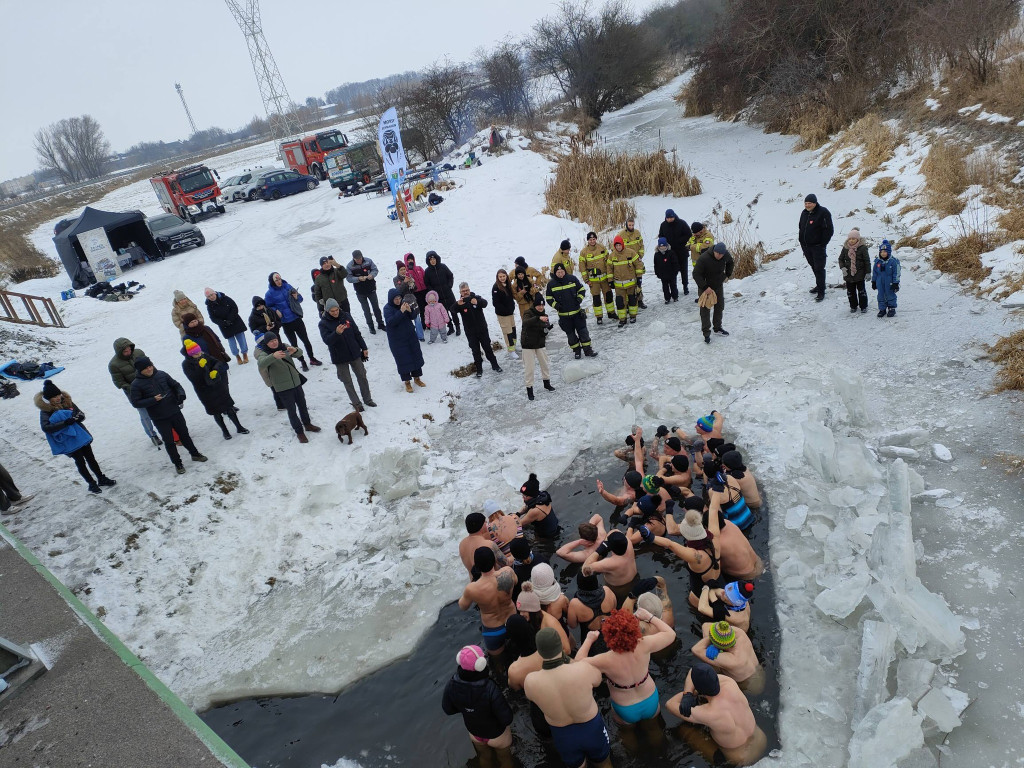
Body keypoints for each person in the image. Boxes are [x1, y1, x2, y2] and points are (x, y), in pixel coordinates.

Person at [523, 628, 612, 768]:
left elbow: (531, 697)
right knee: (604, 763)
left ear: (539, 651)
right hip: (591, 728)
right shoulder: (582, 669)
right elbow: (596, 680)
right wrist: (588, 641)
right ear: (561, 647)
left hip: (563, 736)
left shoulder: (530, 681)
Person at [577, 607, 676, 725]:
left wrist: (589, 640)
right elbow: (670, 633)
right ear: (634, 629)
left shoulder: (605, 659)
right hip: (650, 699)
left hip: (625, 707)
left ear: (608, 635)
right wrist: (649, 616)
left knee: (627, 737)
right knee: (655, 729)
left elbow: (577, 664)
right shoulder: (645, 644)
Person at [666, 662, 766, 766]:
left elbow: (670, 704)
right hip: (760, 739)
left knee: (684, 730)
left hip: (741, 757)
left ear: (699, 690)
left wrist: (688, 694)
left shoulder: (709, 713)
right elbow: (695, 670)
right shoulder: (729, 682)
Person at [129, 357, 207, 474]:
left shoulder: (162, 374)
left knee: (184, 435)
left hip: (174, 411)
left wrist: (181, 395)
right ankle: (178, 464)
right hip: (159, 417)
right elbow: (136, 402)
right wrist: (153, 400)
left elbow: (176, 385)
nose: (149, 369)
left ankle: (195, 454)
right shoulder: (136, 385)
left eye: (150, 366)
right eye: (146, 368)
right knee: (169, 441)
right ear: (140, 370)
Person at [36, 380, 115, 494]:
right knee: (80, 461)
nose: (58, 398)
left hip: (80, 436)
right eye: (54, 397)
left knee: (91, 458)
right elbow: (46, 427)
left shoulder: (67, 402)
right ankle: (91, 483)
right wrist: (65, 423)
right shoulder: (46, 410)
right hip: (68, 440)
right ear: (48, 399)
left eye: (58, 395)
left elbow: (80, 414)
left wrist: (78, 418)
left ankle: (101, 478)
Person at [441, 645, 515, 768]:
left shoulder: (452, 684)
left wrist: (466, 709)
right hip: (497, 736)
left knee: (484, 757)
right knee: (505, 759)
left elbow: (448, 709)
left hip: (475, 733)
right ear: (480, 664)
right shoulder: (490, 688)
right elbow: (507, 718)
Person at [257, 332, 322, 443]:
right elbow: (261, 364)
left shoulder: (284, 346)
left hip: (296, 382)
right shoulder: (264, 353)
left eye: (275, 340)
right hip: (282, 387)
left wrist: (295, 351)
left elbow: (299, 353)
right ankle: (299, 432)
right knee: (292, 410)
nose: (274, 342)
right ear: (266, 343)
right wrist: (273, 356)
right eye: (271, 341)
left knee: (303, 405)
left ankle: (307, 424)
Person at [181, 339, 249, 440]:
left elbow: (217, 362)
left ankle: (239, 427)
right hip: (205, 391)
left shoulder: (204, 355)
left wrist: (215, 370)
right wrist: (201, 367)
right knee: (216, 412)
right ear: (190, 354)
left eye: (199, 352)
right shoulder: (186, 364)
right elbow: (193, 378)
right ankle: (225, 431)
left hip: (217, 386)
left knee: (229, 407)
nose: (199, 354)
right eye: (196, 354)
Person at [318, 298, 375, 411]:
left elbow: (356, 333)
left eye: (336, 310)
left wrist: (363, 347)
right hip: (340, 357)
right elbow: (327, 341)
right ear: (327, 311)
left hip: (354, 353)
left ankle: (367, 399)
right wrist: (337, 333)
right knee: (347, 381)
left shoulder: (346, 316)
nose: (335, 313)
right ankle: (357, 404)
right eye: (332, 311)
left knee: (362, 376)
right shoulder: (323, 323)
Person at [458, 546, 517, 656]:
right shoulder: (508, 572)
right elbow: (516, 581)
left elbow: (463, 606)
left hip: (493, 630)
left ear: (477, 566)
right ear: (494, 560)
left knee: (497, 661)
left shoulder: (472, 588)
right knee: (519, 652)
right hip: (513, 621)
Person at [108, 337, 161, 447]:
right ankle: (152, 435)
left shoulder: (139, 353)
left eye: (129, 350)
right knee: (145, 414)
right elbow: (119, 383)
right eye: (125, 351)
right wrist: (135, 388)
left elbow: (151, 367)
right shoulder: (114, 365)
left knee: (159, 408)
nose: (128, 352)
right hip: (135, 393)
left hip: (150, 386)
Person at [265, 272, 322, 366]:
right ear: (272, 281)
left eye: (279, 279)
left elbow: (300, 299)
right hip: (286, 322)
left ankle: (312, 358)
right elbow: (268, 307)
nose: (279, 282)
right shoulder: (269, 294)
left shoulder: (287, 286)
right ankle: (302, 361)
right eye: (276, 280)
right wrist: (276, 310)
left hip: (296, 318)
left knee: (306, 340)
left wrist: (297, 297)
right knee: (293, 344)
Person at [691, 621, 764, 694]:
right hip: (760, 672)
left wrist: (712, 640)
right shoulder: (740, 633)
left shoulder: (732, 660)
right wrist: (716, 639)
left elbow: (696, 649)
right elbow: (705, 625)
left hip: (748, 685)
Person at [546, 263, 597, 359]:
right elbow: (549, 298)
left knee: (583, 332)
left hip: (577, 313)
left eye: (562, 272)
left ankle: (588, 350)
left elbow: (581, 289)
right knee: (571, 336)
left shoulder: (572, 279)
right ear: (555, 273)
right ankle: (577, 351)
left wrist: (579, 299)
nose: (561, 274)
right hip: (564, 316)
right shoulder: (551, 284)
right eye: (558, 272)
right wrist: (556, 306)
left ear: (564, 271)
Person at [455, 282, 502, 378]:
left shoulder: (475, 297)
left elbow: (485, 303)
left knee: (487, 348)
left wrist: (477, 302)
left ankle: (495, 365)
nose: (466, 292)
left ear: (469, 289)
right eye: (463, 291)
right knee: (475, 351)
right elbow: (452, 309)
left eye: (467, 290)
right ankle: (479, 369)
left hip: (482, 330)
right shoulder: (460, 302)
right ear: (460, 292)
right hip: (470, 332)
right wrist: (458, 305)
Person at [383, 288, 426, 393]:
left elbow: (413, 316)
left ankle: (417, 378)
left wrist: (410, 310)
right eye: (396, 299)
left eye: (399, 298)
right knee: (403, 360)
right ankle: (407, 382)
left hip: (410, 336)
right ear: (391, 299)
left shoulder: (404, 303)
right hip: (397, 340)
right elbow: (391, 322)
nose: (398, 300)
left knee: (415, 356)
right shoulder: (387, 308)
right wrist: (401, 312)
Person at [581, 530, 639, 607]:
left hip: (620, 590)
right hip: (635, 579)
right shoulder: (628, 542)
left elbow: (585, 569)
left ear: (611, 547)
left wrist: (600, 549)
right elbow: (616, 531)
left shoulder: (610, 563)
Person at [693, 242, 734, 344]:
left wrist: (727, 275)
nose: (719, 256)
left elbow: (730, 262)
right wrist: (705, 287)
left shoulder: (725, 255)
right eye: (718, 254)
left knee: (719, 306)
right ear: (714, 251)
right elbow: (696, 274)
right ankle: (706, 333)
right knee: (705, 310)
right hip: (705, 287)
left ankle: (717, 327)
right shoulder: (704, 258)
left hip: (718, 285)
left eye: (721, 254)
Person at [516, 582, 572, 654]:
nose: (521, 614)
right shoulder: (524, 620)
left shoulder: (551, 623)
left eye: (524, 611)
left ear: (533, 611)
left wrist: (544, 659)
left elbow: (567, 650)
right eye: (520, 611)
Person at [798, 193, 835, 302]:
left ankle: (821, 291)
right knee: (813, 266)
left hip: (818, 247)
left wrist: (822, 244)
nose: (807, 205)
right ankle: (819, 285)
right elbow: (801, 227)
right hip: (806, 246)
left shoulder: (823, 212)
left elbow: (829, 230)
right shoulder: (804, 213)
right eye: (805, 203)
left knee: (819, 268)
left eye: (809, 203)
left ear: (815, 203)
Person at [521, 292, 555, 401]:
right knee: (529, 369)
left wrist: (547, 330)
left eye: (542, 305)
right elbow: (526, 323)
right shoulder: (528, 313)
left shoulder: (545, 316)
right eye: (538, 305)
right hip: (528, 345)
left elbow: (543, 332)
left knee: (545, 364)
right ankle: (529, 389)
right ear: (535, 305)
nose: (541, 307)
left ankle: (547, 383)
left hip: (540, 344)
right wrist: (538, 318)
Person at [204, 289, 249, 364]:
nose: (211, 297)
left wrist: (230, 319)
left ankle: (244, 354)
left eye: (212, 295)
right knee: (232, 343)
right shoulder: (209, 306)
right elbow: (213, 318)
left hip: (235, 321)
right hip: (224, 326)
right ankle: (237, 356)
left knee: (241, 339)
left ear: (215, 293)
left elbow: (234, 308)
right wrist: (223, 323)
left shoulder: (225, 298)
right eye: (208, 296)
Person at [346, 250, 386, 333]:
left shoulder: (368, 261)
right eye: (357, 259)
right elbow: (349, 278)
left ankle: (380, 323)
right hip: (360, 292)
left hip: (371, 289)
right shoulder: (350, 266)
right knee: (366, 310)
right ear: (353, 259)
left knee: (376, 307)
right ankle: (371, 326)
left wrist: (372, 275)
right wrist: (358, 279)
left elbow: (375, 270)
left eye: (360, 259)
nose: (359, 261)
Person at [578, 232, 614, 324]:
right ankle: (599, 317)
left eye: (594, 239)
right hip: (593, 281)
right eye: (590, 239)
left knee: (609, 296)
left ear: (596, 239)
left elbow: (609, 261)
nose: (592, 241)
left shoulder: (602, 247)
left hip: (605, 279)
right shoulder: (584, 252)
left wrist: (610, 276)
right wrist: (586, 280)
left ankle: (611, 313)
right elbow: (582, 268)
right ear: (588, 240)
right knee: (596, 299)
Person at [423, 250, 459, 336]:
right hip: (438, 297)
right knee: (444, 313)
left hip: (448, 294)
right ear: (428, 261)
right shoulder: (427, 271)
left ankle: (457, 327)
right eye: (430, 259)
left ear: (436, 258)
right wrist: (433, 292)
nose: (432, 261)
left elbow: (450, 276)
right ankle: (450, 327)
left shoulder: (443, 267)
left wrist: (449, 285)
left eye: (434, 258)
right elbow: (427, 284)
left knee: (453, 310)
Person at [607, 235, 641, 327]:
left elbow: (638, 265)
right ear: (614, 246)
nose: (618, 247)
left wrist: (639, 278)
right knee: (620, 302)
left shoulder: (631, 253)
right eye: (616, 245)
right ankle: (622, 319)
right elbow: (609, 269)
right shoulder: (611, 256)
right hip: (619, 286)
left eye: (620, 245)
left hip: (631, 284)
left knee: (632, 300)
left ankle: (633, 316)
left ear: (622, 244)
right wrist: (610, 281)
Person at [460, 512, 506, 577]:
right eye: (485, 522)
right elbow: (505, 563)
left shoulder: (462, 544)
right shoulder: (488, 544)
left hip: (474, 584)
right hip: (492, 582)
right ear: (481, 526)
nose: (487, 524)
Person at [658, 209, 692, 295]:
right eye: (668, 218)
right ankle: (674, 288)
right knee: (672, 271)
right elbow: (661, 236)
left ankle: (685, 286)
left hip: (681, 251)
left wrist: (679, 241)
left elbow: (688, 235)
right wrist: (665, 244)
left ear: (674, 216)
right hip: (670, 252)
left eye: (671, 218)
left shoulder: (681, 223)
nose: (669, 219)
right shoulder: (663, 225)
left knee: (684, 270)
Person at [838, 228, 871, 314]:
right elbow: (841, 259)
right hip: (848, 275)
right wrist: (843, 268)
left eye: (853, 239)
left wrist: (868, 272)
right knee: (850, 292)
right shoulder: (845, 248)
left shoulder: (862, 248)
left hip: (860, 274)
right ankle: (853, 306)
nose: (851, 240)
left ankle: (863, 306)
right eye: (850, 239)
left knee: (861, 291)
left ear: (858, 239)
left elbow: (867, 261)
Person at [517, 472, 559, 538]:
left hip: (547, 536)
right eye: (523, 495)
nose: (523, 497)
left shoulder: (535, 511)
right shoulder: (543, 497)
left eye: (525, 496)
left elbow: (519, 525)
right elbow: (527, 507)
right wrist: (518, 514)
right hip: (554, 526)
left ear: (532, 495)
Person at [617, 217, 646, 308]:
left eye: (632, 225)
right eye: (629, 225)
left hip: (637, 261)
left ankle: (640, 300)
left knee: (639, 282)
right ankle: (630, 303)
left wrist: (640, 255)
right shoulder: (621, 234)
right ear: (626, 225)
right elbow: (616, 247)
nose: (631, 227)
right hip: (627, 263)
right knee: (629, 284)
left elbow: (641, 245)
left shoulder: (637, 233)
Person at [491, 269, 519, 359]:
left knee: (513, 329)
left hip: (510, 312)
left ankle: (514, 346)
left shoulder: (508, 285)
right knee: (508, 332)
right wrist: (505, 310)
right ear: (497, 277)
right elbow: (496, 303)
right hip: (503, 314)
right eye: (500, 277)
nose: (502, 278)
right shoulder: (496, 288)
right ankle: (511, 350)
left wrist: (512, 307)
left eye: (503, 276)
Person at [394, 265, 425, 341]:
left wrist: (412, 283)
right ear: (398, 271)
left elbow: (415, 289)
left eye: (404, 269)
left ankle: (420, 336)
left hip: (412, 300)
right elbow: (399, 290)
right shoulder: (395, 279)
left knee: (417, 318)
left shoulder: (409, 275)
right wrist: (404, 282)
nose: (403, 271)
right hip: (403, 301)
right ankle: (408, 335)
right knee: (405, 319)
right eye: (401, 269)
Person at [872, 238, 901, 318]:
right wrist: (873, 281)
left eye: (885, 252)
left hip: (890, 282)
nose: (883, 253)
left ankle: (891, 308)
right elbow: (874, 272)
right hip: (879, 282)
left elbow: (897, 272)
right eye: (881, 252)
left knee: (890, 294)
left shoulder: (893, 261)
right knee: (880, 295)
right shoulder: (877, 261)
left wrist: (896, 283)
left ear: (888, 252)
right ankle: (882, 309)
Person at [653, 236, 681, 303]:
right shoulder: (657, 255)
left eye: (664, 246)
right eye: (661, 246)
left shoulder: (671, 253)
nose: (663, 248)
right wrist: (657, 273)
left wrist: (676, 271)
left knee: (673, 286)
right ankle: (667, 298)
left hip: (672, 274)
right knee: (665, 287)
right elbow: (656, 265)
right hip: (663, 274)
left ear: (666, 246)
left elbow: (675, 263)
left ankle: (675, 297)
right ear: (658, 246)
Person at [403, 253, 428, 323]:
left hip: (425, 290)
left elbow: (425, 277)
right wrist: (410, 269)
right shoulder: (406, 271)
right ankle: (424, 323)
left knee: (428, 307)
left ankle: (430, 322)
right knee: (421, 308)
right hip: (416, 292)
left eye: (411, 259)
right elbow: (409, 279)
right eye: (408, 260)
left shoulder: (419, 268)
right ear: (406, 261)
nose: (410, 261)